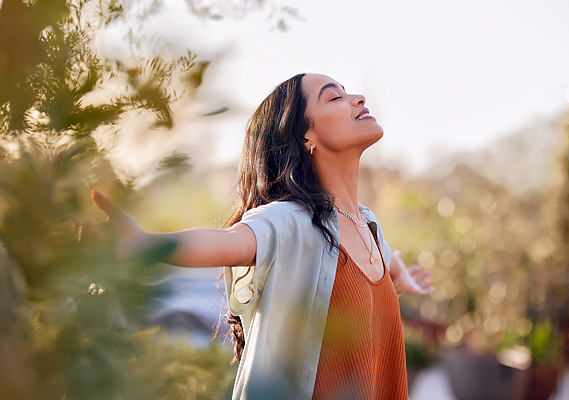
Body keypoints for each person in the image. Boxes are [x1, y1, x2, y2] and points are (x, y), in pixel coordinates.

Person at [90, 73, 434, 400]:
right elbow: (228, 243)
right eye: (335, 97)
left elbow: (381, 262)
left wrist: (398, 274)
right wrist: (144, 244)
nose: (358, 99)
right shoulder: (290, 221)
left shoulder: (369, 227)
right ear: (305, 137)